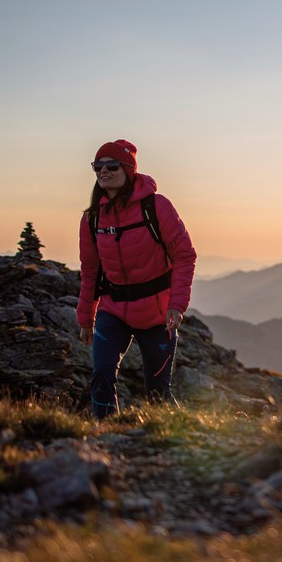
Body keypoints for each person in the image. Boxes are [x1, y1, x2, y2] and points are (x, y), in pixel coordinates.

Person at [77, 139, 197, 418]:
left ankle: (173, 437)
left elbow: (184, 256)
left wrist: (177, 305)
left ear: (128, 169)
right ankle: (105, 437)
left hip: (156, 314)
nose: (103, 171)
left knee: (157, 391)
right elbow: (90, 269)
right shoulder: (92, 219)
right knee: (102, 374)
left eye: (111, 165)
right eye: (97, 166)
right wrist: (86, 317)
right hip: (113, 309)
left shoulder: (156, 207)